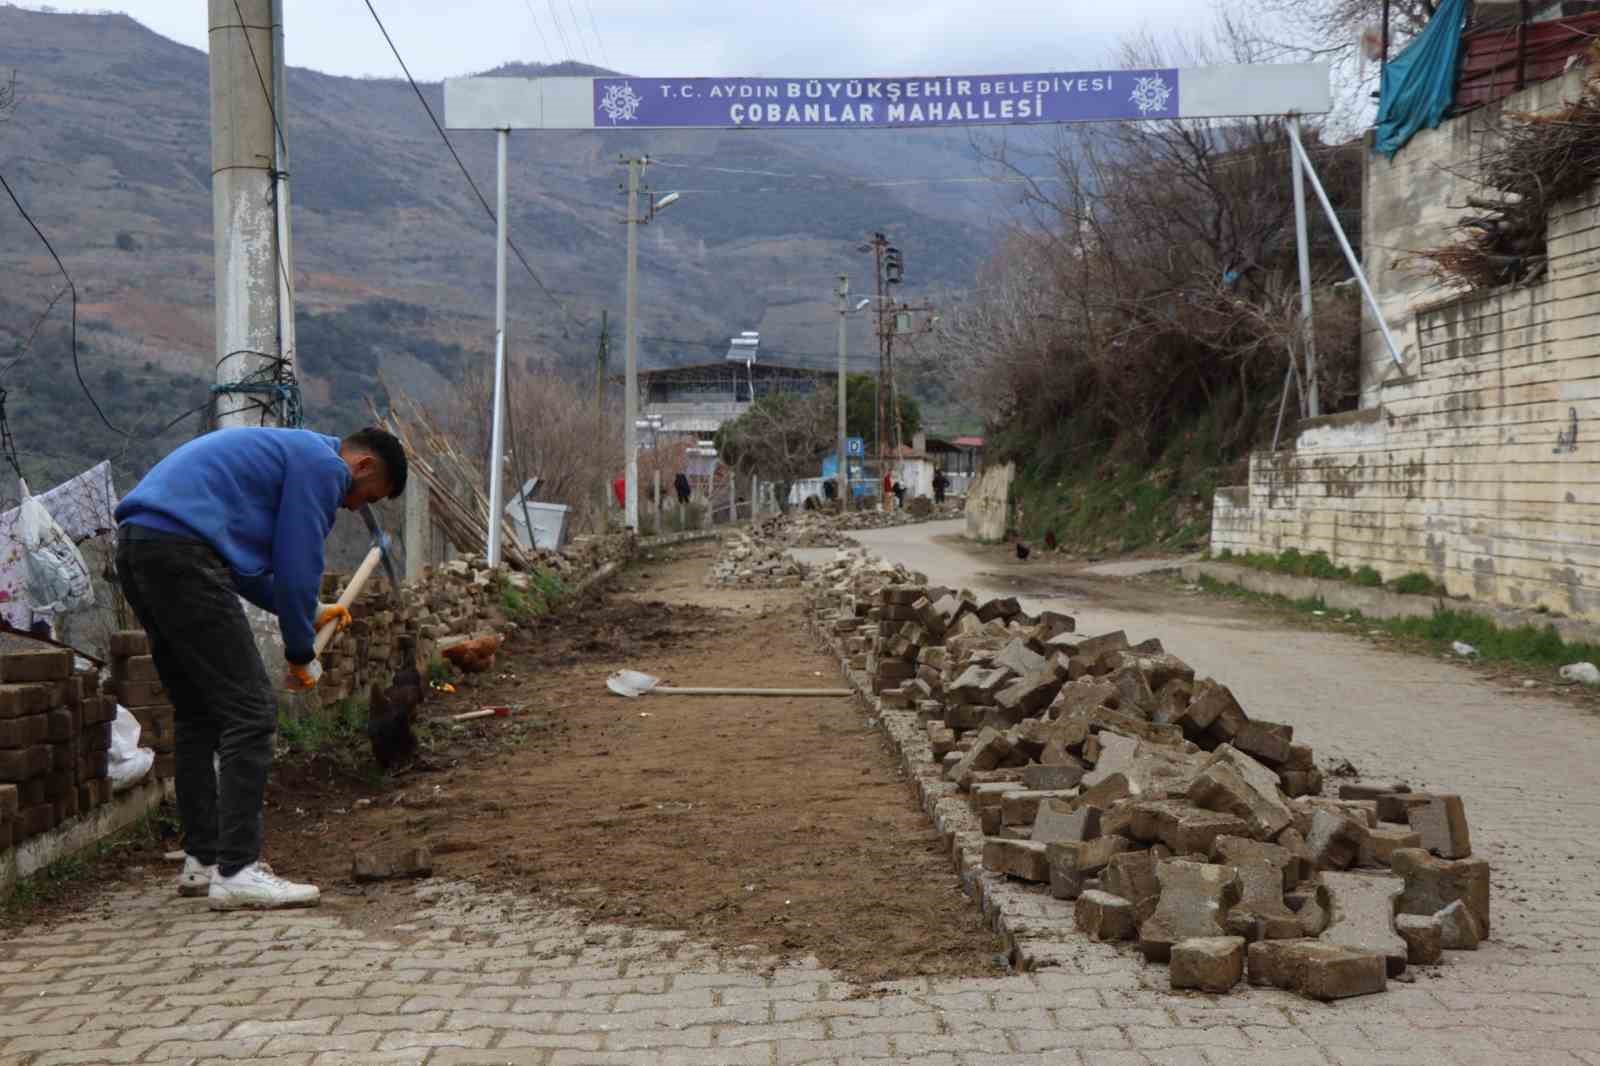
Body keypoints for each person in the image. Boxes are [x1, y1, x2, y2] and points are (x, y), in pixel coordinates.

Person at [115, 426, 405, 911]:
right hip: (183, 554)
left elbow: (246, 571)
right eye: (364, 497)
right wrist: (300, 652)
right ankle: (238, 871)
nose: (352, 507)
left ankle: (204, 860)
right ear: (363, 466)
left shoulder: (291, 451)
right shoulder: (324, 466)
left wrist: (309, 611)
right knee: (251, 711)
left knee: (198, 713)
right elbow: (297, 563)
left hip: (141, 546)